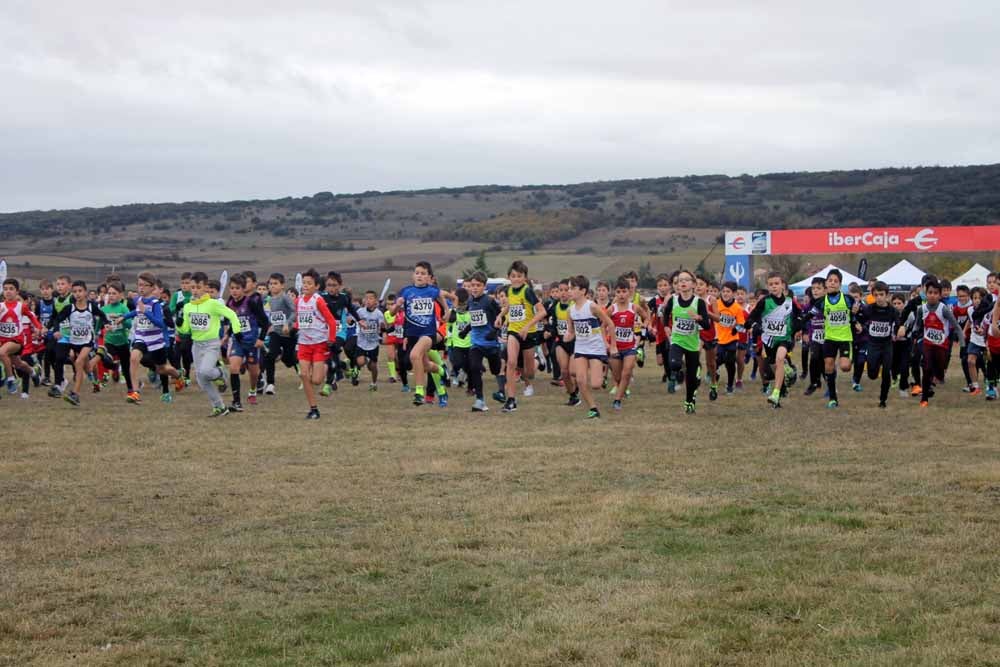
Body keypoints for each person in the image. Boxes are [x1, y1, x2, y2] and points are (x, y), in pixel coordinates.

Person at [177, 272, 243, 417]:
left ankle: (221, 373)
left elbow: (232, 315)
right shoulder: (188, 307)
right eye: (192, 287)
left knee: (205, 371)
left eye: (198, 287)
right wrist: (178, 323)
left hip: (211, 344)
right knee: (201, 380)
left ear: (205, 287)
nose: (194, 290)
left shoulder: (213, 304)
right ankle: (219, 406)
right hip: (197, 345)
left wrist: (237, 331)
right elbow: (186, 330)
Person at [391, 261, 450, 407]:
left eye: (423, 274)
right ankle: (442, 370)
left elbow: (442, 298)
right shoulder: (405, 291)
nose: (419, 276)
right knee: (425, 366)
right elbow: (392, 313)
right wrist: (397, 305)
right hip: (412, 335)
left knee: (414, 355)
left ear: (429, 277)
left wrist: (447, 312)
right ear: (413, 275)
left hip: (428, 334)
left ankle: (419, 392)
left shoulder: (432, 291)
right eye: (417, 273)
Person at [121, 272, 183, 403]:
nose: (141, 288)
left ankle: (178, 376)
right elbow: (136, 311)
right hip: (141, 337)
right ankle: (135, 392)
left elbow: (160, 323)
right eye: (139, 285)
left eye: (144, 285)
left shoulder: (156, 304)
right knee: (133, 358)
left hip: (156, 341)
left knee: (163, 369)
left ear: (152, 287)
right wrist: (123, 317)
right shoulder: (138, 300)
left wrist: (146, 312)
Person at [745, 272, 802, 408]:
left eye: (777, 284)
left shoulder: (790, 301)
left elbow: (800, 315)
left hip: (785, 338)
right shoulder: (764, 302)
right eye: (771, 284)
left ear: (783, 285)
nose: (774, 286)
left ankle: (775, 393)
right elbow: (749, 320)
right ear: (768, 286)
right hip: (769, 341)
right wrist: (755, 325)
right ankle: (787, 377)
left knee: (780, 359)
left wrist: (798, 325)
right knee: (772, 369)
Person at [49, 280, 108, 406]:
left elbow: (102, 315)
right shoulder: (69, 308)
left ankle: (75, 394)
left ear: (85, 292)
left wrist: (106, 324)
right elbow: (57, 320)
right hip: (74, 341)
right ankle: (100, 358)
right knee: (88, 368)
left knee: (78, 363)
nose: (77, 294)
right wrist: (56, 330)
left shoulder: (92, 306)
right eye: (75, 292)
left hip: (87, 341)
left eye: (80, 291)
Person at [661, 270, 712, 414]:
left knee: (691, 377)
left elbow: (707, 325)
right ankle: (678, 374)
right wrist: (666, 326)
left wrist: (699, 318)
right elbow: (666, 314)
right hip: (677, 340)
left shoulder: (699, 302)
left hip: (692, 344)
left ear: (693, 284)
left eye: (686, 280)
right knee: (674, 364)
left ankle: (690, 401)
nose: (682, 283)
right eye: (679, 281)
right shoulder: (673, 300)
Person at [500, 261, 546, 409]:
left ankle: (538, 361)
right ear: (509, 277)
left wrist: (527, 326)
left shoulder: (527, 291)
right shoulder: (508, 290)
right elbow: (509, 306)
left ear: (525, 277)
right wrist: (500, 316)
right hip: (514, 331)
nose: (516, 279)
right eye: (513, 276)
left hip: (529, 334)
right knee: (511, 363)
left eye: (519, 276)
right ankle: (511, 400)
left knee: (529, 373)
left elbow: (542, 312)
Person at [294, 268, 339, 419]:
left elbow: (331, 321)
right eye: (304, 283)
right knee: (303, 374)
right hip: (304, 344)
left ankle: (329, 366)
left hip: (320, 343)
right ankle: (313, 409)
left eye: (309, 283)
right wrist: (293, 328)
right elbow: (298, 320)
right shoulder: (298, 300)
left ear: (317, 286)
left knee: (317, 380)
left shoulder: (318, 300)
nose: (305, 286)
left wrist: (331, 339)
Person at [568, 275, 615, 419]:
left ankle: (602, 367)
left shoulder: (592, 307)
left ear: (582, 291)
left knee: (595, 384)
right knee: (581, 380)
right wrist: (568, 335)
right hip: (580, 348)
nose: (569, 291)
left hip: (595, 348)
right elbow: (571, 331)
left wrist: (612, 345)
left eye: (572, 288)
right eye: (569, 288)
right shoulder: (570, 310)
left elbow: (610, 324)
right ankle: (593, 408)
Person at [912, 278, 964, 407]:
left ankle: (936, 378)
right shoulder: (921, 309)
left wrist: (962, 343)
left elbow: (956, 326)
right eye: (930, 292)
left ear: (939, 295)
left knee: (939, 373)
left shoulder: (944, 309)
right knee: (927, 367)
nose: (932, 295)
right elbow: (918, 324)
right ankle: (924, 398)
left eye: (935, 293)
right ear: (926, 292)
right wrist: (914, 333)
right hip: (928, 343)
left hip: (942, 344)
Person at [224, 273, 269, 411]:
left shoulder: (251, 302)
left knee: (254, 372)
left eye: (237, 288)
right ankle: (236, 401)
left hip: (252, 342)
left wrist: (261, 339)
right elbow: (231, 321)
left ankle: (253, 390)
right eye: (232, 288)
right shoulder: (230, 302)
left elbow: (265, 322)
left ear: (244, 289)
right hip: (238, 341)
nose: (234, 291)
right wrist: (227, 335)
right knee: (233, 367)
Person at [463, 272, 503, 412]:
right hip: (476, 343)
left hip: (491, 344)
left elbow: (501, 318)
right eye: (472, 285)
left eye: (478, 285)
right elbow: (474, 320)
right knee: (474, 367)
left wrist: (494, 332)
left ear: (484, 286)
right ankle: (480, 400)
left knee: (496, 370)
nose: (474, 288)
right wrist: (466, 330)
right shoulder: (470, 301)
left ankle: (503, 392)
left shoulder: (490, 301)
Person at [856, 281, 899, 408]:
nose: (879, 297)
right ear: (873, 296)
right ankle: (875, 364)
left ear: (887, 295)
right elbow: (861, 320)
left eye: (881, 294)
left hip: (886, 345)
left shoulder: (892, 311)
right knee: (872, 375)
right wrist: (859, 324)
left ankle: (883, 400)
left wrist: (899, 330)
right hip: (873, 344)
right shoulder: (870, 309)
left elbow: (898, 323)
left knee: (886, 373)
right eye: (876, 295)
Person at [1, 279, 45, 395]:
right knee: (18, 364)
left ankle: (10, 379)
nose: (8, 292)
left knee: (2, 353)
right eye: (5, 289)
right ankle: (33, 372)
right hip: (3, 340)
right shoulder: (0, 306)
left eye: (11, 289)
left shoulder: (21, 306)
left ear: (17, 291)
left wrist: (39, 327)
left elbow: (31, 316)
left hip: (16, 341)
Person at [262, 273, 298, 395]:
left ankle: (297, 362)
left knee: (288, 361)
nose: (272, 286)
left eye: (275, 283)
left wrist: (288, 323)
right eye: (271, 283)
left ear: (282, 285)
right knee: (270, 355)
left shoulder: (285, 298)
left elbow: (294, 312)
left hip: (288, 333)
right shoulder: (268, 299)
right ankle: (270, 384)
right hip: (275, 333)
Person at [100, 282, 136, 401]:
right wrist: (95, 333)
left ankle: (131, 390)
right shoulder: (104, 309)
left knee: (126, 369)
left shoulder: (123, 307)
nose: (111, 296)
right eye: (109, 293)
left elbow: (129, 324)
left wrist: (122, 320)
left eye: (114, 293)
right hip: (109, 340)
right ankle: (115, 366)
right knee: (105, 360)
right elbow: (99, 323)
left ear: (121, 295)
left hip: (122, 342)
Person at [608, 279, 639, 411]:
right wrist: (607, 344)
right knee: (617, 376)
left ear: (629, 292)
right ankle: (622, 389)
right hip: (615, 348)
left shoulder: (634, 307)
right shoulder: (612, 309)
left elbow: (647, 315)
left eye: (624, 291)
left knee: (626, 373)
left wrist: (645, 324)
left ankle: (617, 400)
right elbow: (602, 325)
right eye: (618, 292)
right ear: (615, 293)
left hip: (630, 347)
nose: (621, 294)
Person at [714, 281, 746, 395]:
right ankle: (714, 378)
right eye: (723, 291)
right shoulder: (717, 304)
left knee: (730, 361)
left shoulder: (737, 308)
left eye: (728, 291)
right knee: (717, 361)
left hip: (732, 339)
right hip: (720, 339)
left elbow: (741, 325)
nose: (725, 294)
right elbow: (712, 317)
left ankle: (730, 385)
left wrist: (735, 327)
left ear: (734, 293)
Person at [354, 290, 385, 390]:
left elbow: (382, 326)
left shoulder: (379, 314)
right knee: (360, 362)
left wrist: (382, 327)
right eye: (366, 298)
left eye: (371, 298)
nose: (368, 300)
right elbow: (352, 319)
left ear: (375, 301)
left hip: (373, 343)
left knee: (372, 367)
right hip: (362, 342)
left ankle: (374, 383)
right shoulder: (360, 311)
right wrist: (350, 320)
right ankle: (363, 363)